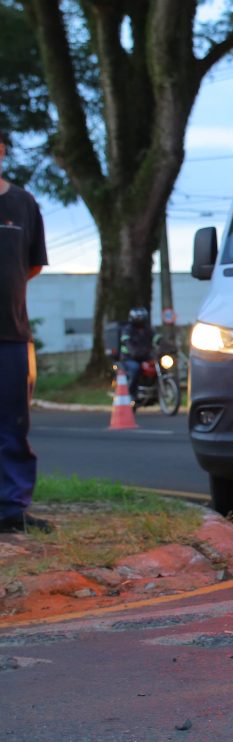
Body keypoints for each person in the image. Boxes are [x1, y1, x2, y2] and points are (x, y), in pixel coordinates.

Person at [0, 129, 51, 533]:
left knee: (14, 423)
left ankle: (12, 509)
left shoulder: (23, 204)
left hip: (11, 334)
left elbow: (31, 266)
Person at [118, 307, 156, 395]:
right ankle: (130, 394)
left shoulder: (148, 329)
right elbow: (127, 342)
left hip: (145, 357)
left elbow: (156, 337)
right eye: (139, 318)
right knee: (135, 369)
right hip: (129, 358)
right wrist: (134, 352)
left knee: (159, 367)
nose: (141, 320)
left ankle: (153, 389)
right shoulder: (127, 330)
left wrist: (166, 345)